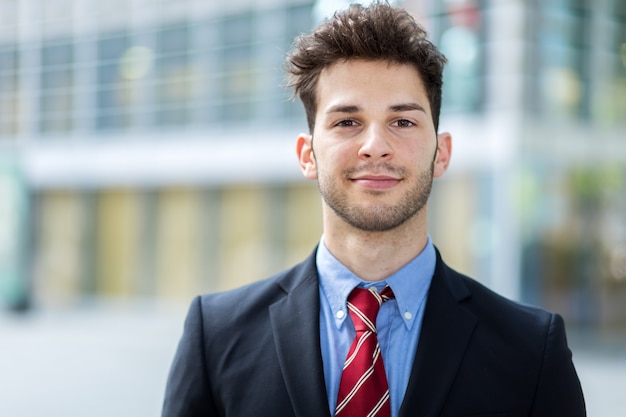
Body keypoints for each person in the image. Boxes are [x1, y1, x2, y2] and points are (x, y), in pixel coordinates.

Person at [162, 2, 586, 416]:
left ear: (442, 153)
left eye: (402, 122)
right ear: (307, 155)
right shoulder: (215, 336)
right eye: (347, 122)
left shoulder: (532, 350)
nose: (375, 147)